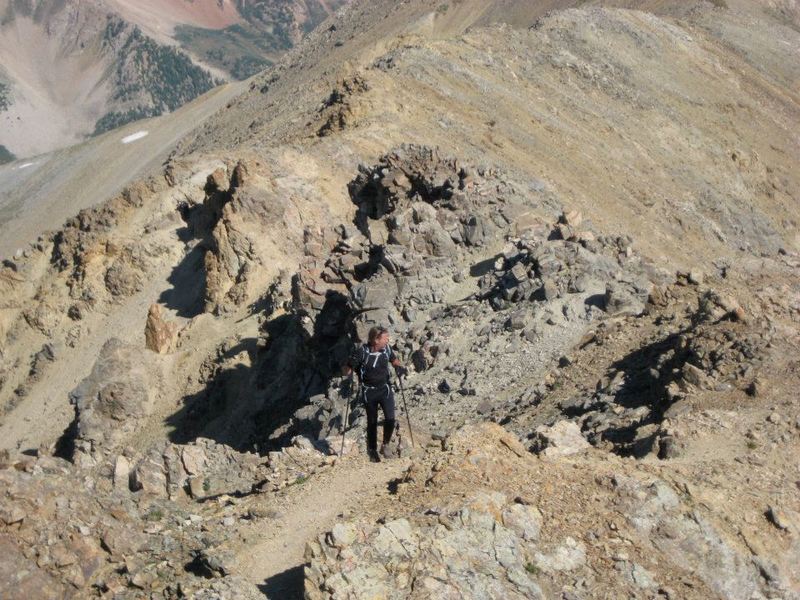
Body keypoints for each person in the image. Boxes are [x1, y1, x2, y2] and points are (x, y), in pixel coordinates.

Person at [342, 326, 408, 462]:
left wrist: (399, 367)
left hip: (385, 389)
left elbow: (394, 360)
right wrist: (350, 365)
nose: (388, 340)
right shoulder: (362, 352)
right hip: (369, 391)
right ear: (376, 340)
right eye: (385, 338)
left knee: (390, 419)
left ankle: (385, 445)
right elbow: (346, 371)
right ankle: (372, 450)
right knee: (372, 422)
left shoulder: (387, 349)